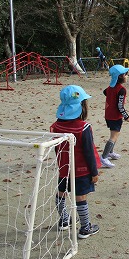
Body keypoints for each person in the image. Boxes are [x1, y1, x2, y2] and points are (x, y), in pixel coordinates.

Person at [50, 85, 101, 239]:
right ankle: (85, 228)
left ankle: (64, 220)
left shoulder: (55, 126)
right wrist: (94, 172)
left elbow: (56, 149)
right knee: (81, 197)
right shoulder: (84, 128)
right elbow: (89, 152)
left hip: (64, 169)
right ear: (82, 107)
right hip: (82, 170)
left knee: (61, 193)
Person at [100, 64, 129, 168]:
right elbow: (120, 105)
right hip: (115, 116)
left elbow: (105, 92)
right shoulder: (121, 89)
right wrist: (126, 116)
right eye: (126, 74)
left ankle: (110, 152)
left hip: (108, 115)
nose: (127, 76)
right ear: (120, 76)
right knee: (114, 136)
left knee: (114, 134)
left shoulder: (110, 87)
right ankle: (103, 157)